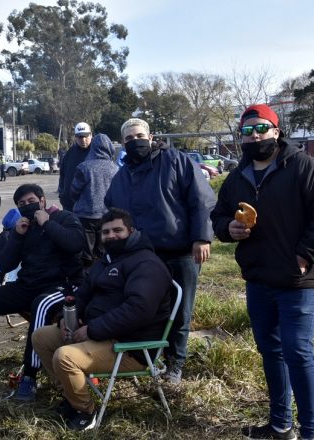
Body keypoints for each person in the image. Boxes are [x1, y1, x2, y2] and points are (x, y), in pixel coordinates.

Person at [211, 104, 314, 440]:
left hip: (300, 279)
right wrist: (228, 228)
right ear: (240, 136)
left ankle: (311, 432)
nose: (255, 136)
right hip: (259, 278)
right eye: (248, 131)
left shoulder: (305, 167)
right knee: (270, 351)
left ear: (276, 130)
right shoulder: (237, 177)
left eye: (262, 129)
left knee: (297, 351)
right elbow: (219, 215)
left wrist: (304, 255)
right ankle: (280, 425)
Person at [32, 208, 173, 430]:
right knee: (41, 337)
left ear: (131, 231)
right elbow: (82, 294)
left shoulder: (147, 264)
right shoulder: (107, 260)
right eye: (106, 232)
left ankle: (85, 412)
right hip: (99, 333)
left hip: (130, 345)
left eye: (118, 230)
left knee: (65, 357)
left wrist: (92, 329)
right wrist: (67, 319)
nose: (111, 236)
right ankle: (72, 394)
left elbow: (138, 310)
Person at [104, 117, 215, 384]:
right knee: (146, 309)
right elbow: (113, 213)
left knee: (180, 311)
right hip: (143, 257)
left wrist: (202, 237)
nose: (135, 142)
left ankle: (176, 363)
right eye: (129, 139)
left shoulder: (176, 161)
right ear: (122, 143)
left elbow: (201, 199)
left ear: (151, 137)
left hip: (180, 252)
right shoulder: (122, 177)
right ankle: (144, 359)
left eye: (139, 136)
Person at [0, 184, 85, 402]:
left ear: (42, 201)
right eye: (22, 204)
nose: (27, 206)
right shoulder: (24, 227)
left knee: (41, 305)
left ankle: (30, 375)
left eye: (31, 201)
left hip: (63, 284)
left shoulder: (64, 218)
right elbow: (4, 264)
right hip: (28, 284)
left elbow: (75, 244)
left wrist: (48, 223)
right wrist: (16, 236)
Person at [69, 133, 118, 266]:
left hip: (85, 215)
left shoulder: (84, 167)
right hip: (106, 215)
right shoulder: (115, 168)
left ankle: (86, 274)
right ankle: (102, 272)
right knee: (103, 251)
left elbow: (74, 191)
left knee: (86, 253)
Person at [58, 122, 92, 211]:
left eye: (86, 136)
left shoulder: (96, 153)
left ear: (91, 135)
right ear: (75, 137)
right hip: (69, 205)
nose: (83, 139)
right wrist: (62, 193)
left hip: (90, 208)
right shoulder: (69, 154)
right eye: (80, 137)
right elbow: (62, 174)